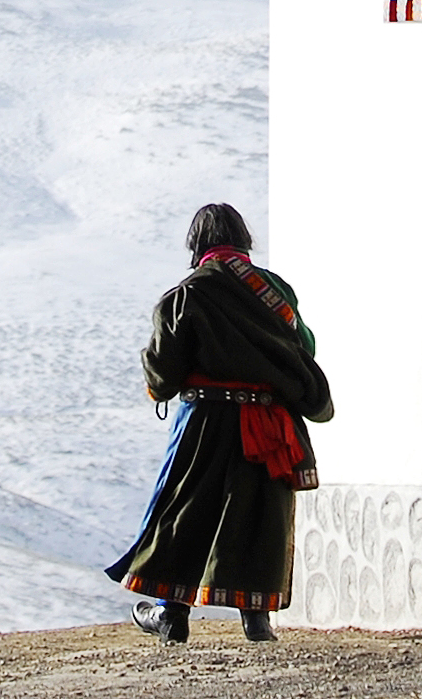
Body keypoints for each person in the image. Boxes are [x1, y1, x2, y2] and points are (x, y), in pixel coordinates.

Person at [106, 201, 331, 644]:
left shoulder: (186, 295)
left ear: (196, 246)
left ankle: (171, 615)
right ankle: (257, 619)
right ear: (244, 241)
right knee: (260, 514)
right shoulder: (275, 292)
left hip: (204, 423)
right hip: (267, 422)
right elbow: (304, 343)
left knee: (184, 511)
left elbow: (163, 374)